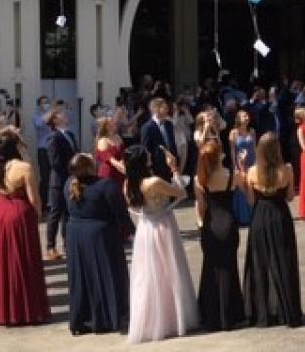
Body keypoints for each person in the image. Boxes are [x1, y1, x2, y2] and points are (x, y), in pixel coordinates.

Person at [124, 144, 198, 344]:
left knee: (149, 274)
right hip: (163, 226)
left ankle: (151, 319)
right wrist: (174, 169)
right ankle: (173, 317)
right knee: (170, 271)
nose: (150, 157)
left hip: (146, 228)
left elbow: (133, 208)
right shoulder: (154, 181)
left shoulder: (128, 184)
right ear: (142, 161)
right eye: (146, 155)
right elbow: (181, 193)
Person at [0, 128, 50, 326]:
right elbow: (33, 198)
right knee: (25, 259)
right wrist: (38, 213)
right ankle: (28, 310)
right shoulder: (25, 168)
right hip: (20, 213)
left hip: (0, 214)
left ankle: (7, 311)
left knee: (4, 261)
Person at [66, 153, 133, 335]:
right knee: (108, 274)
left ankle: (82, 318)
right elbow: (121, 214)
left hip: (75, 235)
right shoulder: (106, 186)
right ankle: (110, 317)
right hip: (101, 236)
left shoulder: (69, 185)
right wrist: (133, 231)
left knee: (81, 277)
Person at [241, 132, 303, 328]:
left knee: (261, 263)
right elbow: (291, 196)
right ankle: (287, 310)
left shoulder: (252, 171)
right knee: (284, 262)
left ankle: (264, 311)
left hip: (260, 217)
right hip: (280, 216)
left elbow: (251, 201)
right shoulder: (287, 169)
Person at [194, 140, 245, 332]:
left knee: (210, 269)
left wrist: (200, 225)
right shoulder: (233, 176)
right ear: (220, 155)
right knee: (229, 268)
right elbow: (249, 194)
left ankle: (211, 314)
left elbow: (201, 208)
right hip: (229, 224)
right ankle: (232, 314)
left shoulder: (199, 179)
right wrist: (242, 167)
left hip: (211, 225)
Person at [45, 108, 77, 261]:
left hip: (71, 178)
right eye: (61, 115)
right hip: (59, 181)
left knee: (68, 213)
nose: (65, 116)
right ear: (55, 120)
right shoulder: (53, 137)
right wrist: (70, 171)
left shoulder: (70, 134)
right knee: (55, 213)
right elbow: (54, 161)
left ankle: (67, 243)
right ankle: (50, 246)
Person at [227, 110, 256, 227]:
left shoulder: (252, 131)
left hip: (251, 162)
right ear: (238, 119)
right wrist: (235, 165)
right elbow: (232, 150)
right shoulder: (233, 133)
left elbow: (254, 147)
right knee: (241, 188)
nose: (247, 117)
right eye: (244, 116)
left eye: (247, 115)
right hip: (240, 162)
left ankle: (253, 214)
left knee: (251, 186)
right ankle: (242, 217)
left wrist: (257, 162)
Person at [139, 98, 179, 180]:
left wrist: (176, 161)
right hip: (157, 168)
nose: (167, 110)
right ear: (155, 109)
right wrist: (150, 170)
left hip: (171, 166)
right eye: (164, 108)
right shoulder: (147, 127)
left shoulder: (169, 124)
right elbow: (146, 149)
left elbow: (172, 144)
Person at [95, 117, 126, 185]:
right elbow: (111, 160)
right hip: (108, 175)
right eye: (113, 122)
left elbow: (123, 154)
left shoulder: (118, 137)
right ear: (107, 126)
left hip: (120, 173)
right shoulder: (103, 141)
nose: (115, 123)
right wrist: (124, 169)